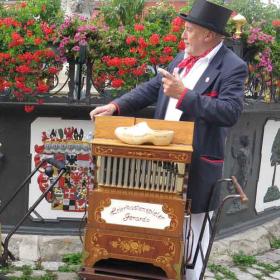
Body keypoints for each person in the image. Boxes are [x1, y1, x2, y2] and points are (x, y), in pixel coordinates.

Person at [90, 0, 248, 279]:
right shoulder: (181, 59)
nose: (183, 36)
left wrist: (184, 95)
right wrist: (116, 106)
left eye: (189, 30)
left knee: (194, 228)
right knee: (160, 220)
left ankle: (193, 276)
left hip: (198, 160)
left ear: (208, 35)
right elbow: (151, 89)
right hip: (163, 159)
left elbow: (230, 112)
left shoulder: (232, 66)